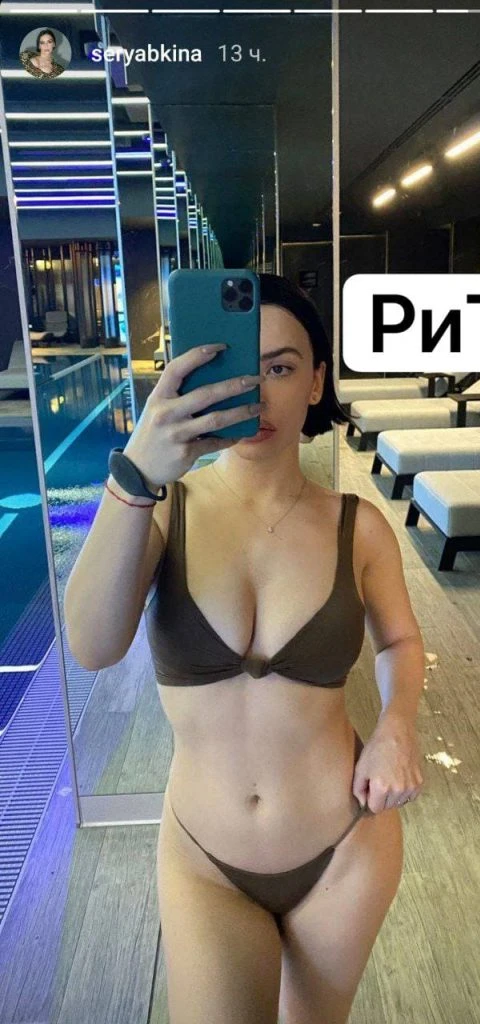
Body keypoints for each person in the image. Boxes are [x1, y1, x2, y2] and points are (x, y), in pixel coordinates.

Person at [64, 273, 425, 1024]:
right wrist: (135, 476)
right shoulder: (166, 510)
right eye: (233, 368)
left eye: (280, 368)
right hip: (208, 858)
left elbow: (398, 638)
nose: (256, 393)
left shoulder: (356, 526)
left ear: (316, 381)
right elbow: (92, 647)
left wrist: (396, 726)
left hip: (345, 847)